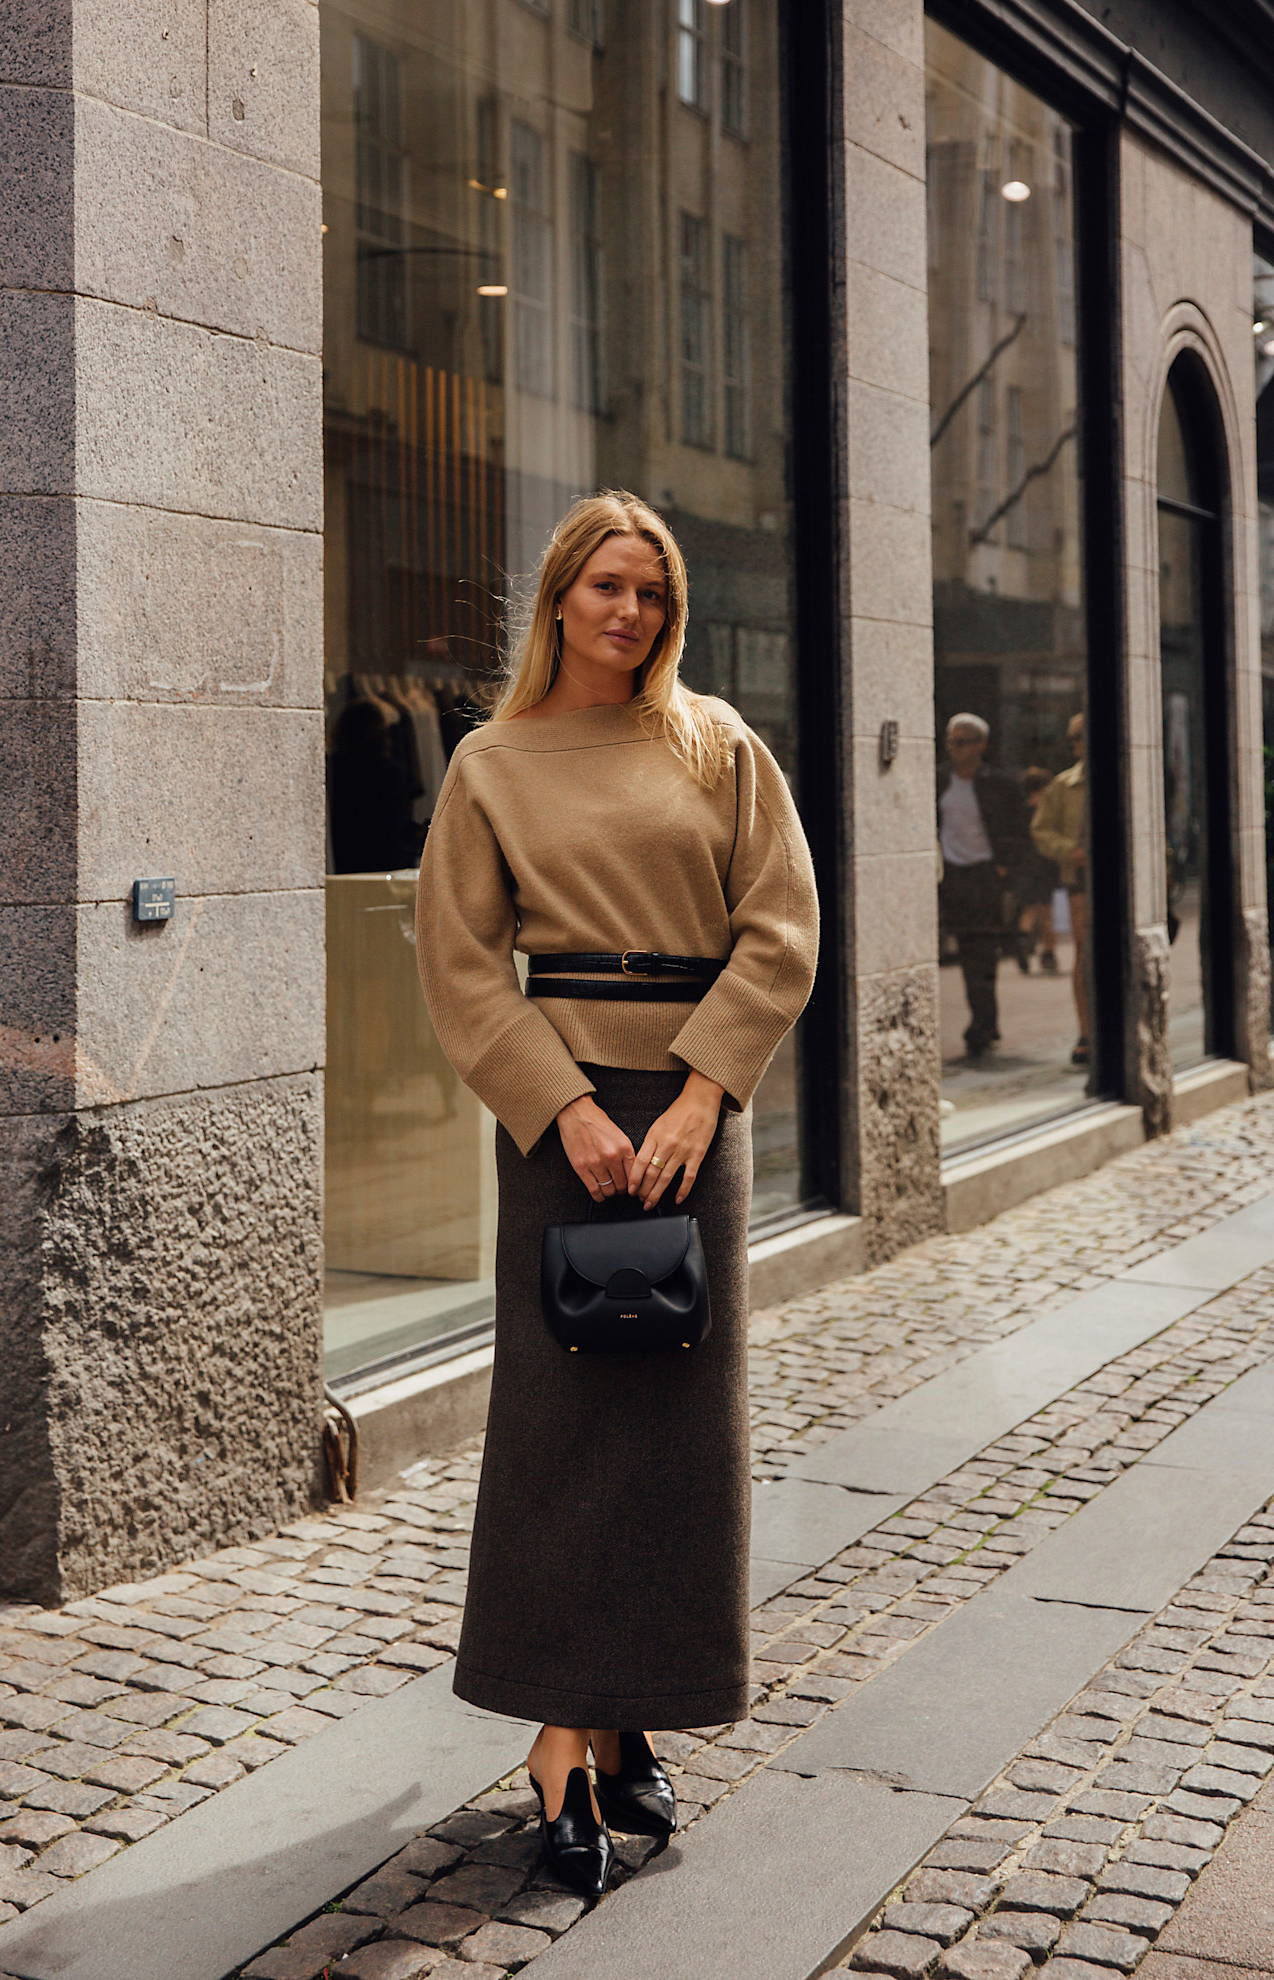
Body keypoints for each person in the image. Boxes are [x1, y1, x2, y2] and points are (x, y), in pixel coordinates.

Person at [414, 490, 818, 1899]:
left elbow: (780, 930)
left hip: (695, 1119)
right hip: (564, 1121)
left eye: (652, 590)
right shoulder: (493, 761)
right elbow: (461, 962)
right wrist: (565, 1105)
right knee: (564, 1422)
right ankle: (558, 1735)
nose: (631, 612)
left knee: (678, 1435)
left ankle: (627, 1703)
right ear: (560, 600)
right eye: (608, 586)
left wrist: (704, 1090)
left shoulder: (717, 746)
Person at [936, 713, 1026, 1057]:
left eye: (961, 742)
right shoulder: (939, 779)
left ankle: (984, 1023)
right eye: (951, 742)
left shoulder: (999, 783)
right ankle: (981, 1021)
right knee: (962, 949)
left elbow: (1018, 829)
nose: (955, 749)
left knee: (983, 953)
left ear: (980, 745)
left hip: (985, 875)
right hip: (951, 875)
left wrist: (1005, 869)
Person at [1032, 712, 1090, 1066]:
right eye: (1075, 737)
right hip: (1081, 881)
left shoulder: (1127, 777)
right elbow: (1041, 830)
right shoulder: (1063, 785)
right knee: (1084, 954)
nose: (1079, 742)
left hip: (1123, 881)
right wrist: (1068, 850)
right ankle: (1087, 1031)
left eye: (1083, 735)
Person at [1013, 767, 1060, 974]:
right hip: (1044, 862)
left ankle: (1023, 941)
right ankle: (1048, 953)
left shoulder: (1020, 810)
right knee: (1046, 911)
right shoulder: (1047, 812)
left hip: (1024, 864)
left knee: (1029, 908)